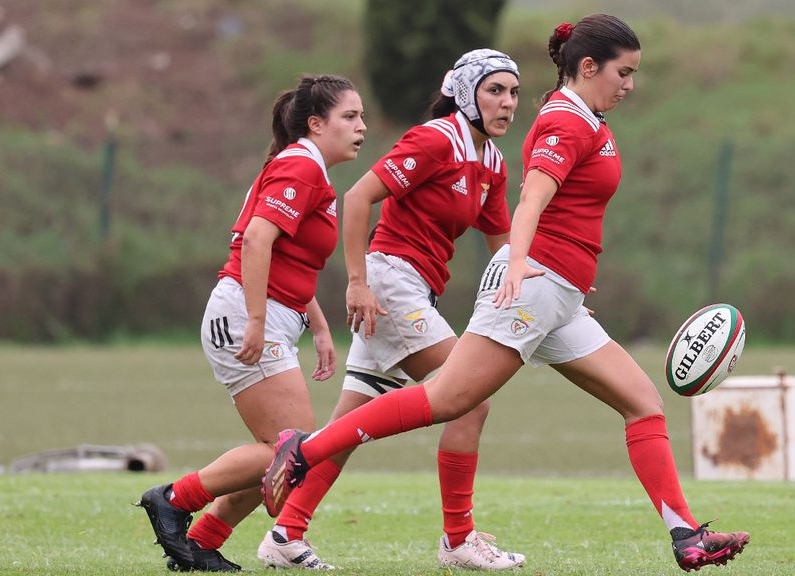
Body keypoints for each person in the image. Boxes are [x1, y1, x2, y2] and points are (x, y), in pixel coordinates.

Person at [261, 15, 750, 573]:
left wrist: (557, 288)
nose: (630, 85)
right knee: (451, 399)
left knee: (642, 404)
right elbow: (532, 201)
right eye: (624, 72)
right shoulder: (565, 122)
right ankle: (304, 451)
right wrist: (518, 264)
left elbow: (513, 215)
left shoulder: (585, 119)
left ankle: (686, 536)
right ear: (588, 67)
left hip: (557, 293)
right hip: (530, 285)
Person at [257, 49, 526, 571]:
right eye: (495, 90)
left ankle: (285, 533)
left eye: (514, 92)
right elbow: (357, 198)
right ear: (466, 93)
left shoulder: (491, 161)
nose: (508, 103)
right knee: (470, 401)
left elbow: (505, 248)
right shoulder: (434, 139)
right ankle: (458, 538)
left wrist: (544, 283)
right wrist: (357, 282)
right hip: (390, 282)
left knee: (350, 421)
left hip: (414, 291)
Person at [136, 74, 366, 572]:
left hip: (264, 312)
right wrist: (257, 320)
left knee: (285, 454)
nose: (361, 127)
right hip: (244, 312)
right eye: (349, 116)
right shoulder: (301, 166)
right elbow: (258, 241)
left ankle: (198, 544)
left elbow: (289, 261)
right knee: (292, 450)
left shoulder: (305, 168)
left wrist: (320, 326)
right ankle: (173, 500)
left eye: (360, 117)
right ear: (315, 123)